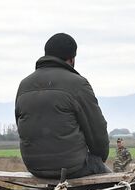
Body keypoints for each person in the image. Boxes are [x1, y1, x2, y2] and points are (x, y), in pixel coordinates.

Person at [15, 32, 110, 179]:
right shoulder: (78, 84)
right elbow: (97, 131)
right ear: (72, 59)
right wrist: (98, 158)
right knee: (120, 186)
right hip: (72, 167)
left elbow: (21, 125)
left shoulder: (24, 84)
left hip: (34, 167)